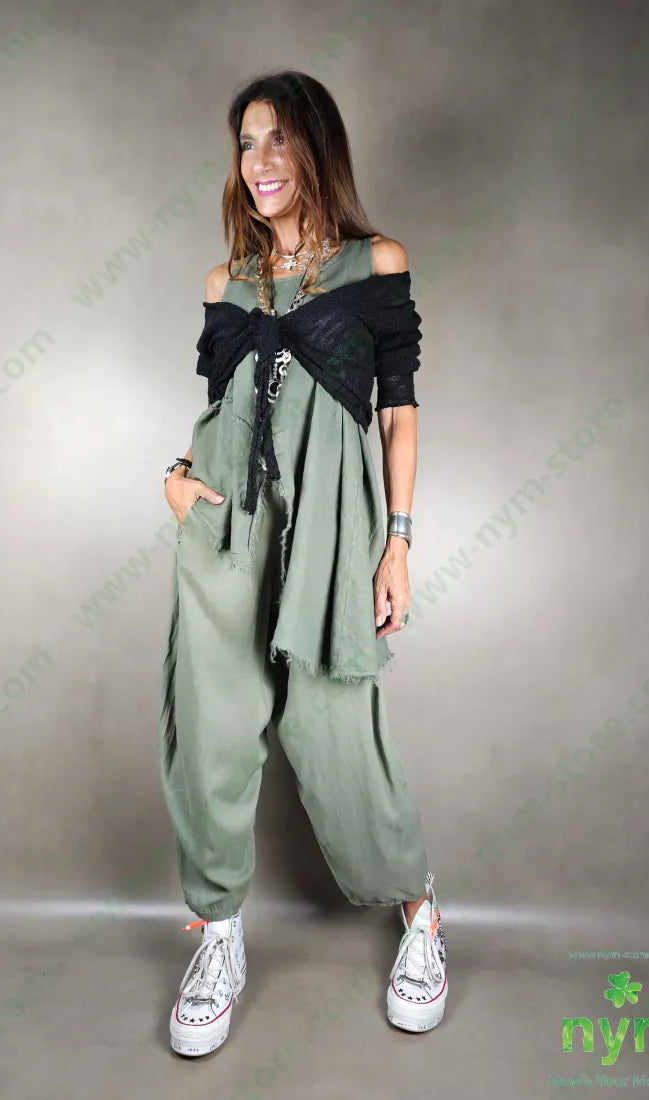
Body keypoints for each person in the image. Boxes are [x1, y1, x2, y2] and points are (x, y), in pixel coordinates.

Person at [158, 70, 447, 1058]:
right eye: (247, 142)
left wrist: (396, 541)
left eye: (279, 137)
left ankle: (418, 910)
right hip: (225, 530)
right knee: (213, 726)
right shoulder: (226, 281)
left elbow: (398, 412)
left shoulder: (375, 264)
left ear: (317, 147)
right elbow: (222, 410)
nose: (261, 160)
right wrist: (174, 479)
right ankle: (219, 932)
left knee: (336, 731)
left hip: (329, 528)